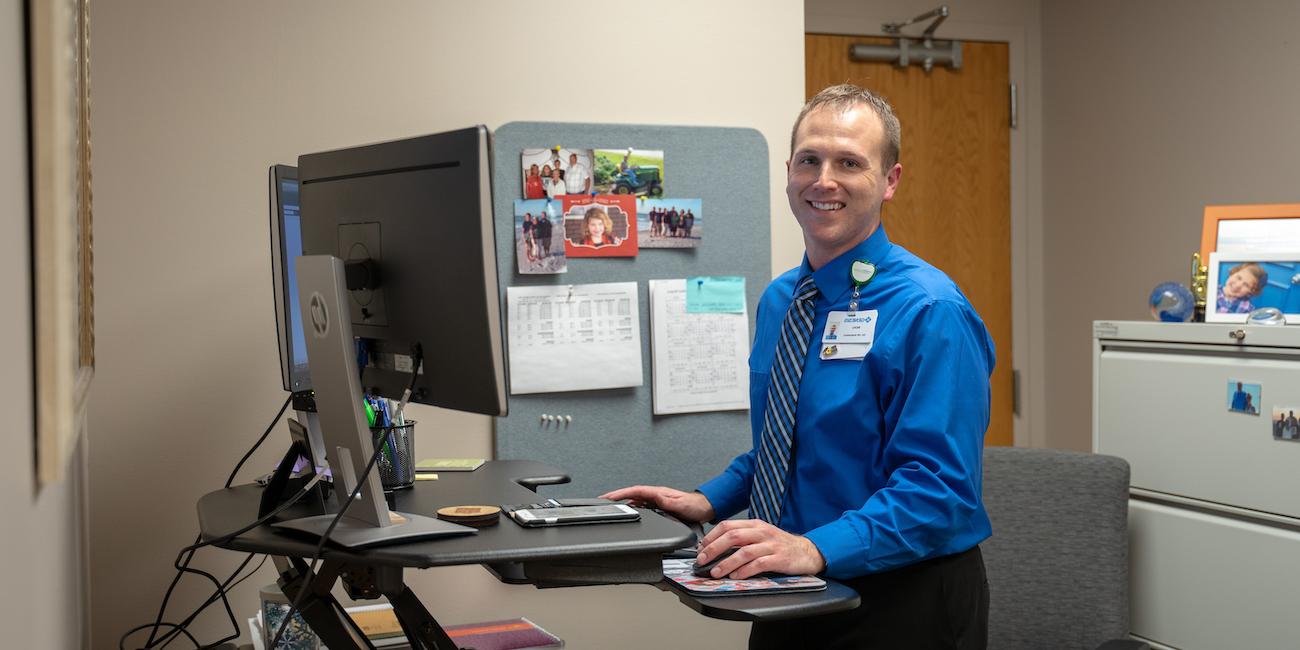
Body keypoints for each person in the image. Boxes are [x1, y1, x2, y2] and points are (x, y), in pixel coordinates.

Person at [603, 83, 994, 649]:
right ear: (790, 171)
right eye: (810, 160)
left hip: (903, 596)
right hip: (791, 583)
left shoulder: (931, 311)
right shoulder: (783, 299)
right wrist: (709, 499)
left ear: (890, 181)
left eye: (850, 163)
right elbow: (794, 441)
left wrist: (814, 549)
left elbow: (940, 490)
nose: (824, 179)